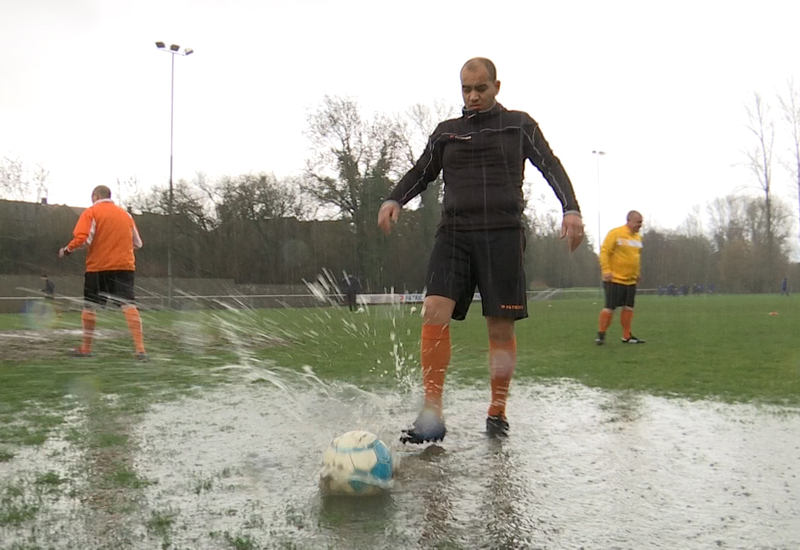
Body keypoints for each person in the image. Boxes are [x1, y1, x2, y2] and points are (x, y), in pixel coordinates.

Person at [377, 57, 584, 443]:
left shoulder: (519, 125)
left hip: (502, 235)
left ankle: (497, 410)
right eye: (466, 89)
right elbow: (422, 170)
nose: (472, 96)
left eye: (480, 89)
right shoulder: (447, 133)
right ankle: (432, 414)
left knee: (499, 328)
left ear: (496, 87)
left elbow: (551, 166)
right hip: (454, 234)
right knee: (433, 310)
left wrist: (570, 208)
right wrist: (394, 200)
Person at [58, 185, 148, 360]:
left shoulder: (91, 212)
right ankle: (140, 350)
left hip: (98, 267)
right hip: (125, 267)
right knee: (128, 305)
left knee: (90, 306)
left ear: (95, 196)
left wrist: (67, 250)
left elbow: (83, 238)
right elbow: (138, 244)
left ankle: (86, 348)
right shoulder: (126, 215)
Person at [595, 211, 645, 345]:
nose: (640, 225)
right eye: (638, 222)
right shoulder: (615, 233)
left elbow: (635, 257)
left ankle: (627, 336)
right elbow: (604, 252)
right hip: (614, 279)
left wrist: (637, 273)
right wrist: (606, 270)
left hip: (630, 280)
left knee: (628, 308)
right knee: (610, 307)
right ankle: (601, 334)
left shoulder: (638, 238)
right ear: (629, 220)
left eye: (641, 222)